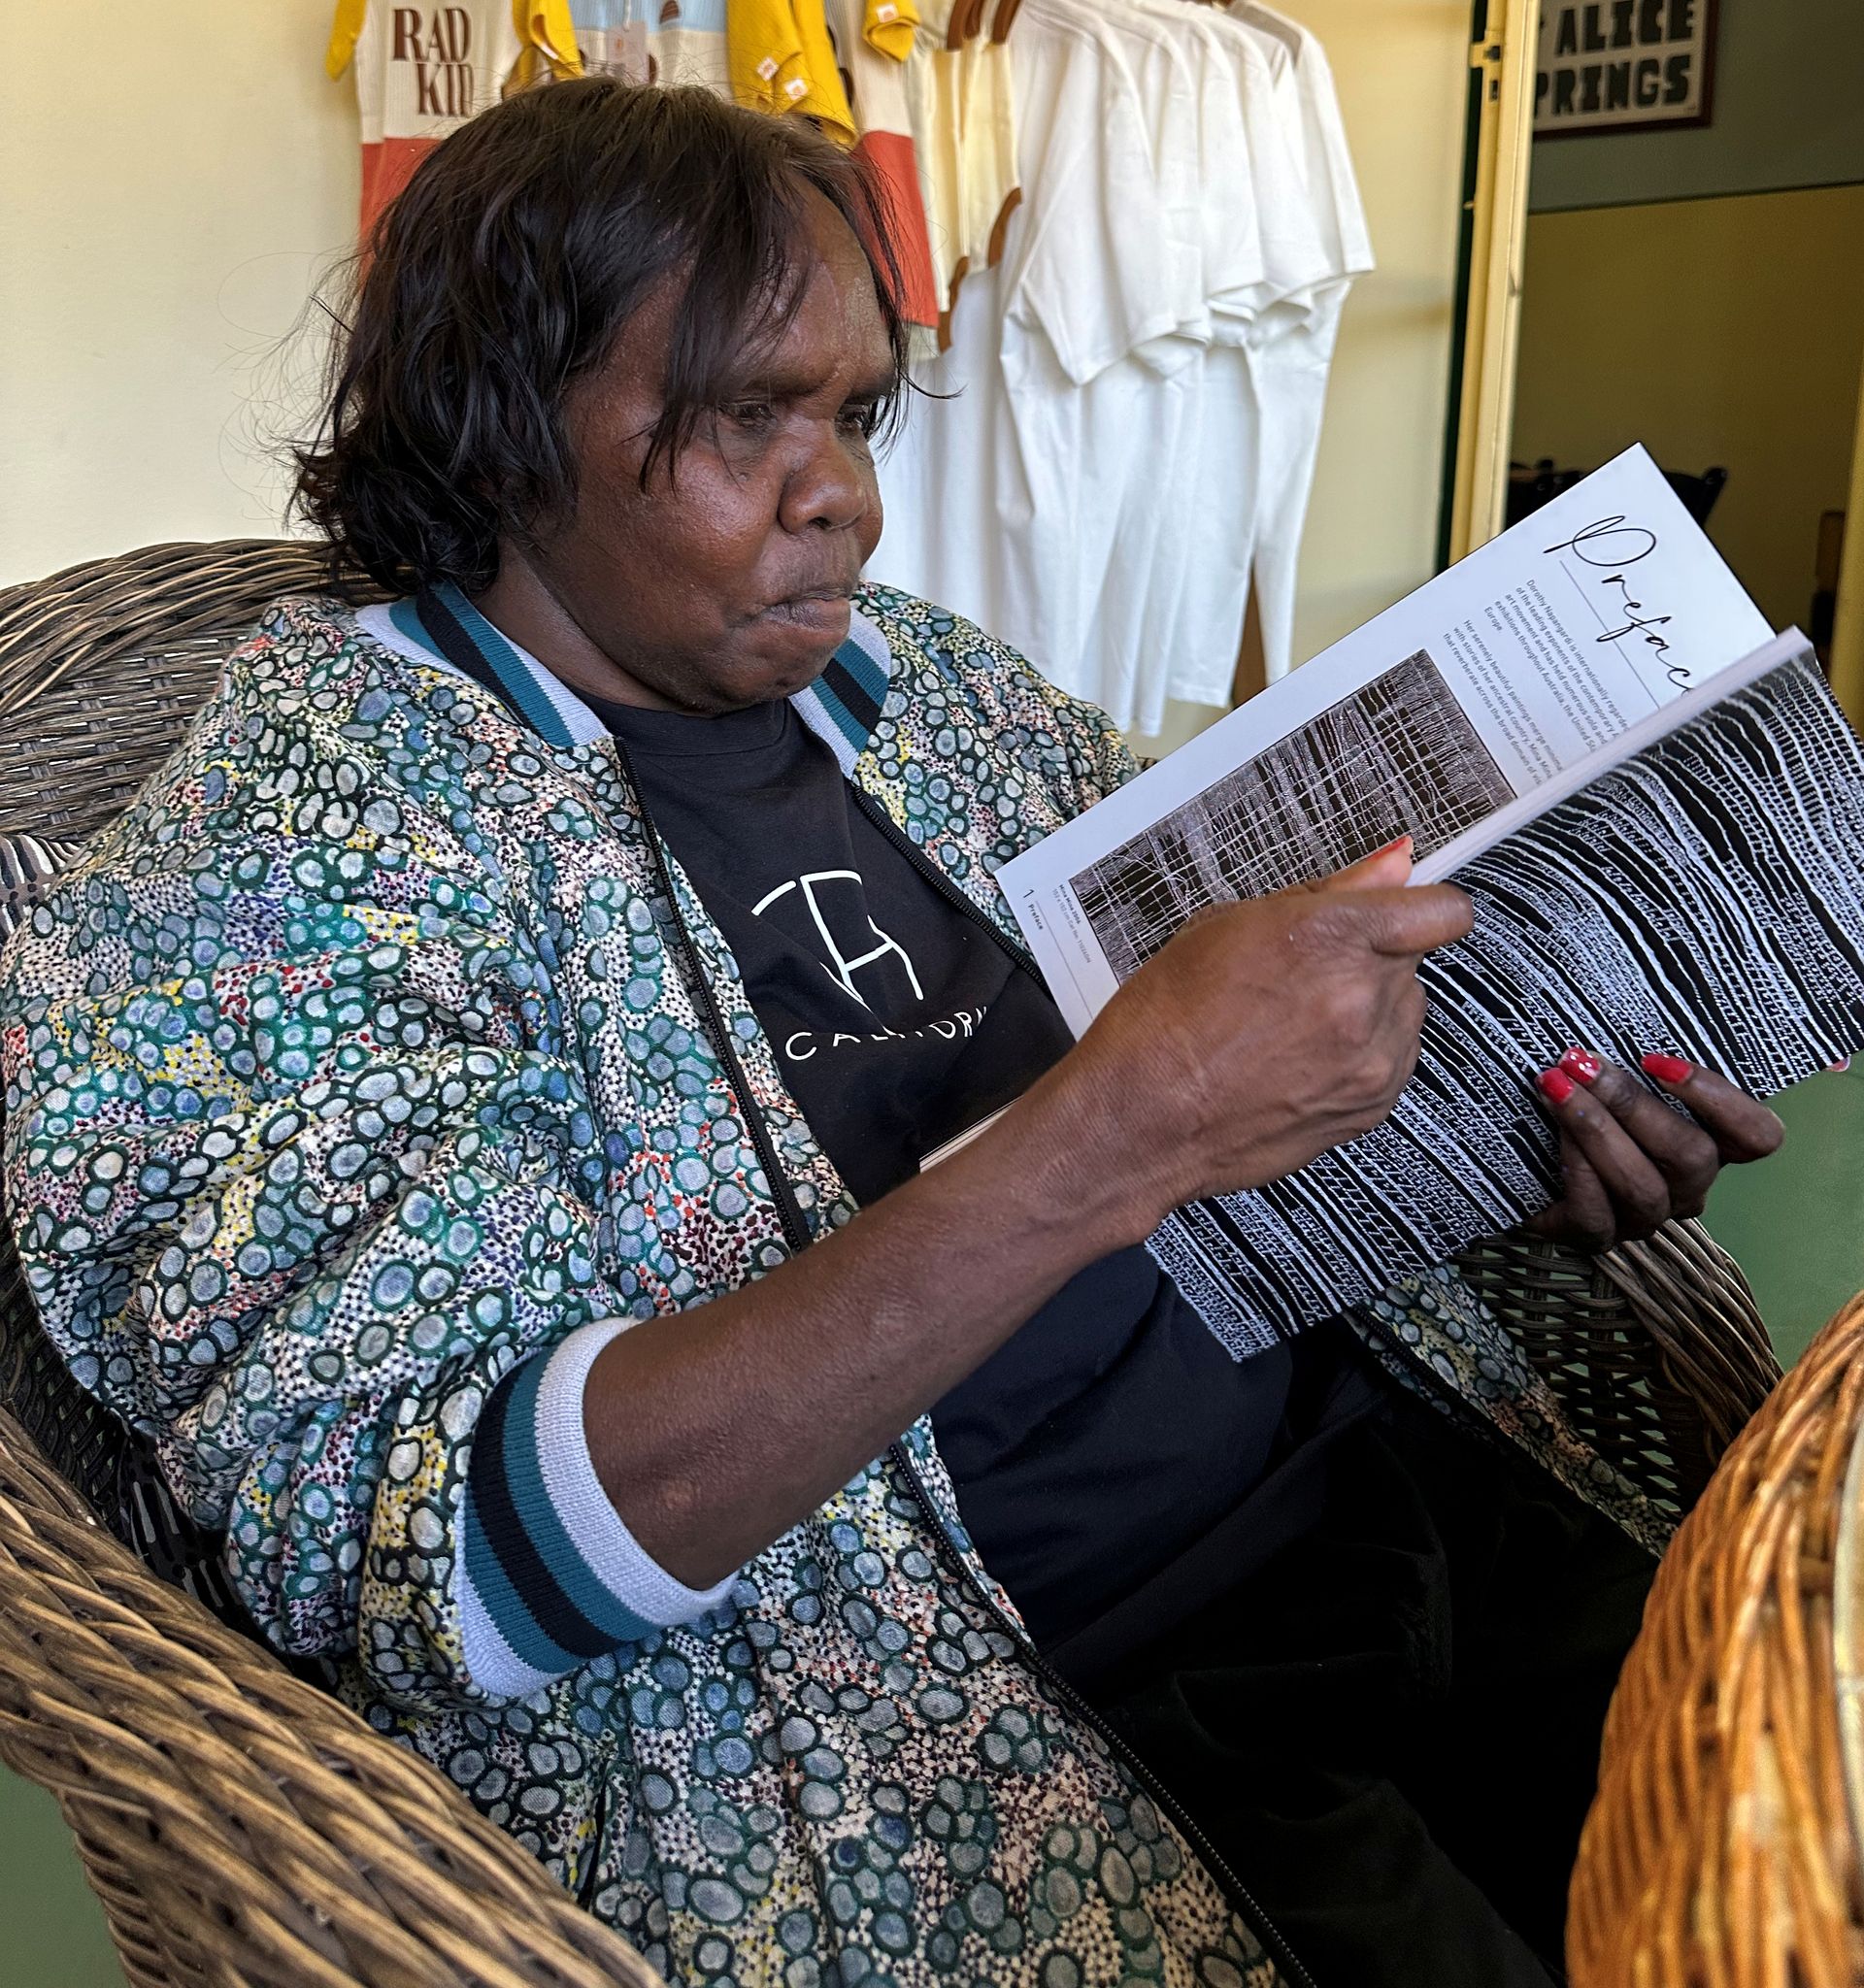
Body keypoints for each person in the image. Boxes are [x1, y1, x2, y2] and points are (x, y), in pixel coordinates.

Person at [0, 79, 1784, 1988]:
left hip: (1408, 1475)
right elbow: (443, 1556)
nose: (842, 483)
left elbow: (1239, 1087)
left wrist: (1513, 1155)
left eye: (852, 412)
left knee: (1790, 1837)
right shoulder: (304, 848)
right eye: (746, 414)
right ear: (505, 427)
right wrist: (1118, 1130)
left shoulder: (920, 688)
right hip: (1039, 1707)